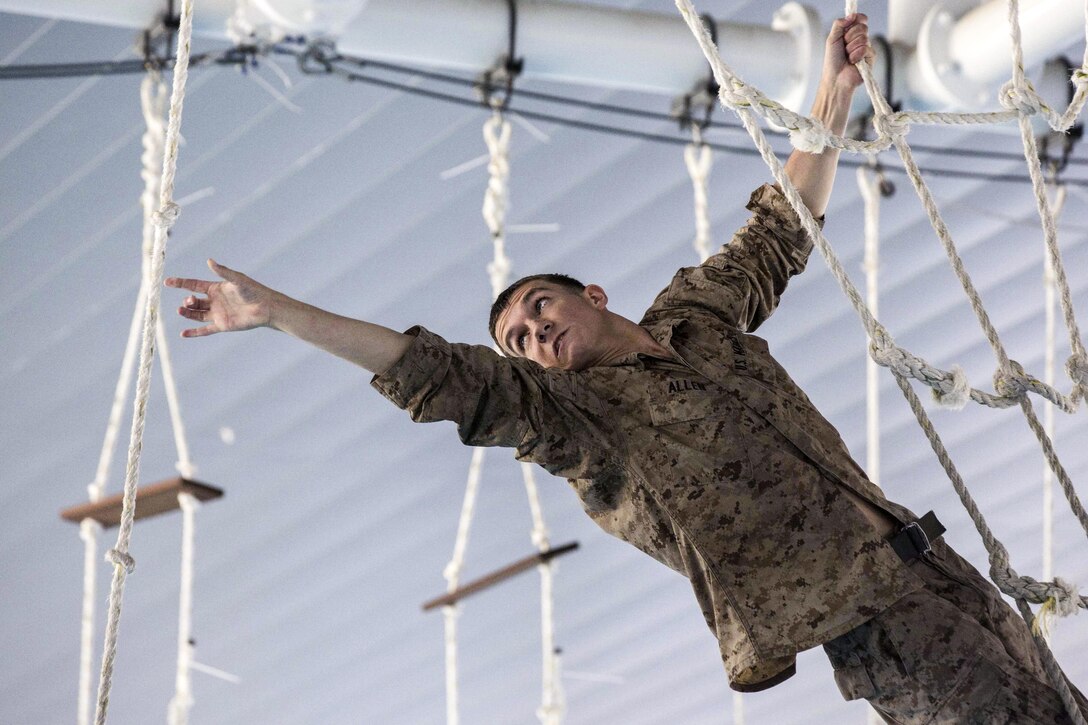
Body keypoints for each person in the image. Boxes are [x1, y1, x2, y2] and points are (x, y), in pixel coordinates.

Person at [166, 14, 1086, 723]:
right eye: (518, 339)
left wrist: (832, 90)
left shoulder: (694, 315)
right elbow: (429, 370)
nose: (531, 336)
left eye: (538, 309)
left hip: (921, 558)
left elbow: (781, 228)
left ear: (592, 296)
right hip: (859, 612)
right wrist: (278, 313)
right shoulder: (572, 420)